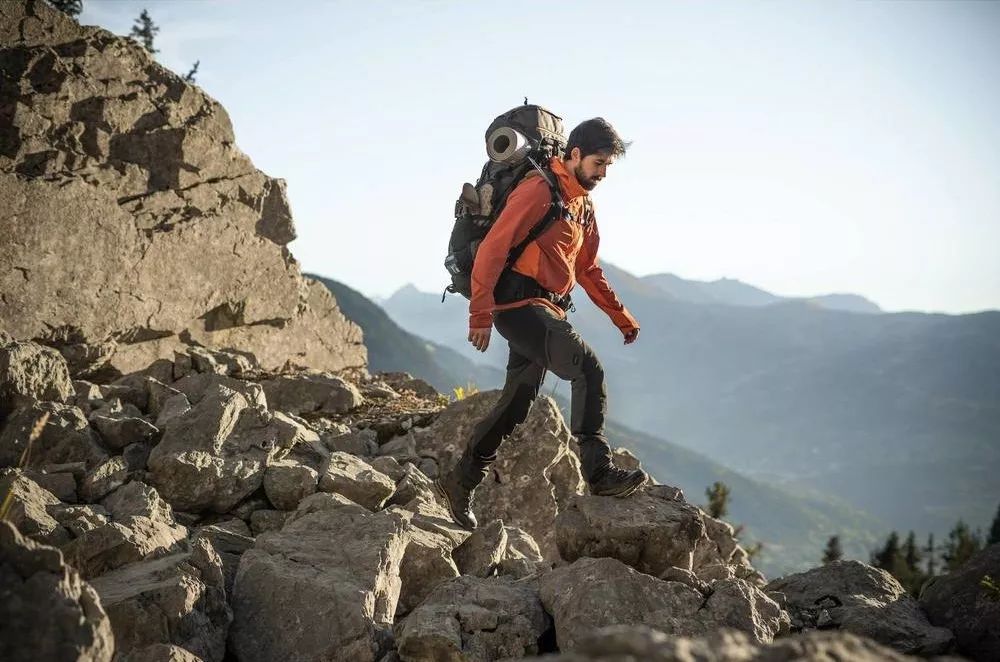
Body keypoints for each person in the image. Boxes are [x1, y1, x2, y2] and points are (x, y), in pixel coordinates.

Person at [435, 117, 648, 530]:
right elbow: (493, 250)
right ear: (574, 155)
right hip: (518, 306)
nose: (603, 173)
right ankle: (599, 472)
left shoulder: (582, 205)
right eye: (598, 163)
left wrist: (621, 316)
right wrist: (479, 313)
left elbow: (587, 268)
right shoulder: (538, 190)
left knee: (516, 403)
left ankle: (460, 483)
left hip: (547, 309)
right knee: (588, 369)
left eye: (608, 166)